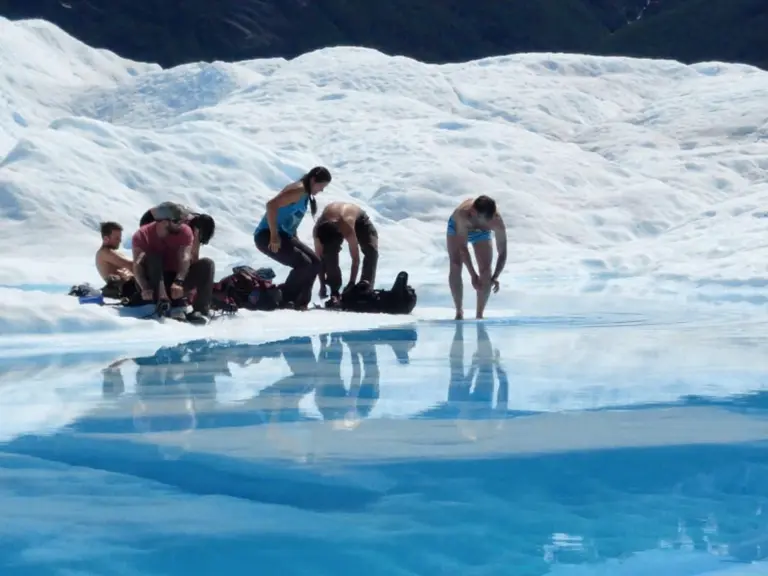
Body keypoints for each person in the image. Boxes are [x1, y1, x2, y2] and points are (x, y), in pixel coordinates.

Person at [253, 166, 332, 310]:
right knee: (303, 264)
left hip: (284, 235)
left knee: (315, 263)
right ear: (313, 180)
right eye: (321, 186)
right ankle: (283, 298)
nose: (321, 190)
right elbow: (271, 205)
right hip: (266, 236)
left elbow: (290, 221)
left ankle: (301, 302)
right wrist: (274, 235)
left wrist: (296, 241)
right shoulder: (298, 190)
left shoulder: (305, 195)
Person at [131, 203, 215, 323]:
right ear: (164, 222)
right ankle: (165, 302)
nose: (182, 224)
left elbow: (186, 258)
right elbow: (137, 265)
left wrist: (179, 281)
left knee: (207, 264)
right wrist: (144, 287)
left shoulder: (185, 231)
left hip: (172, 279)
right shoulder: (142, 235)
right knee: (154, 256)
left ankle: (201, 310)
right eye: (177, 221)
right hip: (154, 280)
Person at [446, 195, 507, 320]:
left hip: (481, 234)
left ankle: (479, 315)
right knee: (455, 264)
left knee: (486, 271)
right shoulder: (462, 215)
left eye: (489, 220)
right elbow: (462, 248)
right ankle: (459, 311)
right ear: (473, 212)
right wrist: (473, 275)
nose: (486, 223)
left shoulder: (496, 221)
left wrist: (495, 276)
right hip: (457, 228)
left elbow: (502, 252)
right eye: (484, 220)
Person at [313, 201, 379, 302]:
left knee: (371, 251)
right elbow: (319, 259)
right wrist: (322, 285)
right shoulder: (317, 232)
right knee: (328, 255)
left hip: (359, 219)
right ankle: (334, 290)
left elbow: (356, 260)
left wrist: (351, 283)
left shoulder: (347, 228)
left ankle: (365, 289)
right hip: (332, 221)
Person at [139, 202, 216, 263]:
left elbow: (194, 254)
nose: (199, 243)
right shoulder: (185, 226)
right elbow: (194, 254)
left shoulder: (194, 223)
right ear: (197, 230)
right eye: (201, 239)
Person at [95, 221, 139, 300]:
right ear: (106, 238)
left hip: (132, 284)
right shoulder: (104, 252)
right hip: (126, 289)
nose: (120, 241)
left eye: (120, 237)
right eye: (117, 238)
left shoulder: (114, 252)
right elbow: (131, 265)